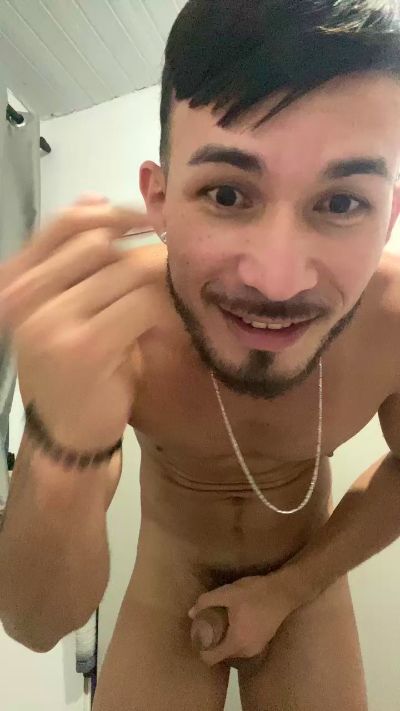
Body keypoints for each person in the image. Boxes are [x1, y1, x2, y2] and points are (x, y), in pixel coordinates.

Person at [1, 1, 400, 709]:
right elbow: (36, 623)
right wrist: (59, 448)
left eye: (341, 204)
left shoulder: (394, 324)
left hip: (305, 577)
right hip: (169, 580)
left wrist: (287, 591)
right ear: (159, 200)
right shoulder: (116, 331)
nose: (277, 281)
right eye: (227, 192)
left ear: (390, 215)